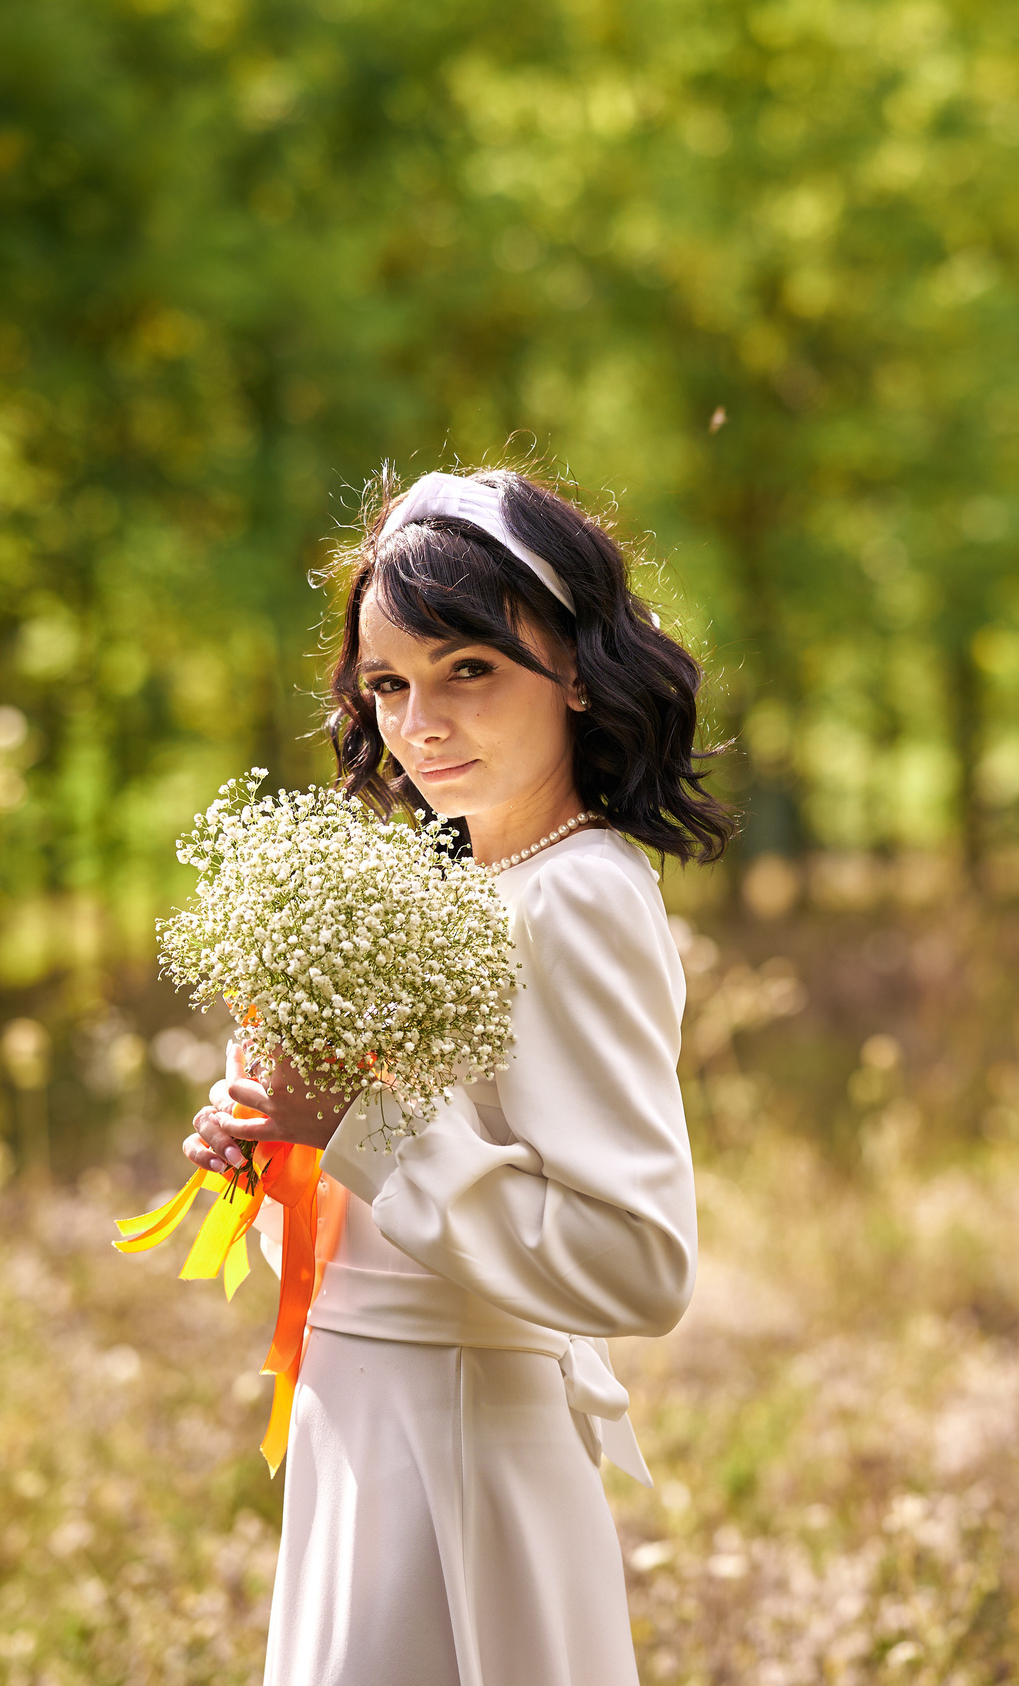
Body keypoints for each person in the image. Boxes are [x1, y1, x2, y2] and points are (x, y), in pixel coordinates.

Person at [185, 466, 735, 1686]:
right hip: (366, 1427)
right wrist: (283, 1149)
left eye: (467, 669)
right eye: (388, 683)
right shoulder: (464, 892)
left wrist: (364, 1126)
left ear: (579, 670)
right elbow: (408, 1205)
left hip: (461, 1448)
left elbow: (638, 1260)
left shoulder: (577, 891)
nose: (419, 721)